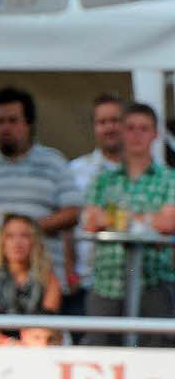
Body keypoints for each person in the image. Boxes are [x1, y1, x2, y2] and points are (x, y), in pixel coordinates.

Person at [0, 87, 80, 311]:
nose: (5, 128)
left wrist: (28, 229)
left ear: (29, 124)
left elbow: (73, 212)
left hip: (45, 284)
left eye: (12, 120)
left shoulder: (54, 163)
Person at [81, 102, 175, 347]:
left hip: (154, 282)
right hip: (107, 283)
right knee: (101, 358)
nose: (136, 135)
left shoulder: (169, 178)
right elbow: (90, 221)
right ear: (122, 132)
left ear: (155, 134)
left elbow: (168, 222)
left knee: (156, 358)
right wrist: (145, 220)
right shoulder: (104, 179)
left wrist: (114, 219)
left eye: (144, 128)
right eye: (131, 128)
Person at [65, 95, 123, 321]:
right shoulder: (75, 170)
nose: (109, 128)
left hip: (137, 279)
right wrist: (70, 272)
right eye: (102, 122)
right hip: (88, 279)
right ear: (94, 128)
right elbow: (66, 226)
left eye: (115, 120)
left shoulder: (145, 171)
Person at [0, 214, 62, 345]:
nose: (17, 242)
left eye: (25, 236)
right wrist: (11, 345)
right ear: (2, 242)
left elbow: (46, 328)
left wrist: (28, 345)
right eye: (10, 236)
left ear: (34, 242)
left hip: (37, 346)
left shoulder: (49, 280)